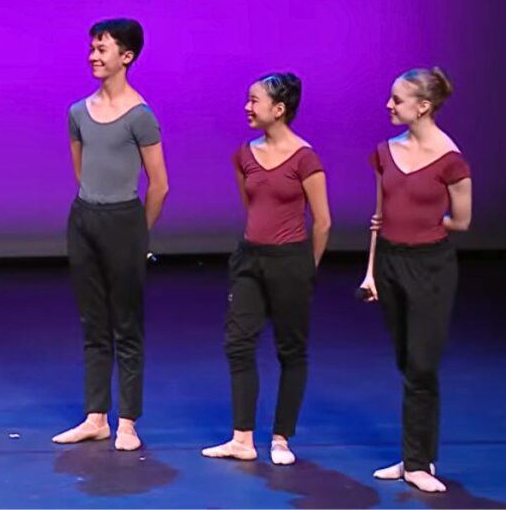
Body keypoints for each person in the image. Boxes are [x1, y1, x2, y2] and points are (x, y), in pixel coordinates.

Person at [52, 18, 169, 451]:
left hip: (124, 222)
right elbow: (81, 169)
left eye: (103, 49)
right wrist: (93, 208)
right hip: (85, 219)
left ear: (127, 56)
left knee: (127, 325)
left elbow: (159, 183)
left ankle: (128, 422)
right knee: (93, 322)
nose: (94, 56)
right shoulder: (78, 112)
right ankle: (96, 416)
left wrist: (139, 232)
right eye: (92, 48)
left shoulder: (141, 116)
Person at [201, 73, 331, 464]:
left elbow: (322, 221)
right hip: (250, 258)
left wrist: (307, 267)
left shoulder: (306, 158)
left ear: (279, 109)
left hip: (290, 261)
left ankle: (280, 438)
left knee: (290, 349)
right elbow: (253, 205)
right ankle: (242, 438)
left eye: (254, 100)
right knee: (238, 342)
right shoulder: (244, 154)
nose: (247, 106)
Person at [358, 67, 472, 493]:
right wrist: (370, 272)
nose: (389, 105)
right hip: (389, 262)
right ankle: (411, 456)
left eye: (398, 99)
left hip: (431, 266)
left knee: (422, 364)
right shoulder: (384, 152)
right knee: (408, 362)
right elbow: (378, 217)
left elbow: (461, 220)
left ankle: (420, 462)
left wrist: (426, 221)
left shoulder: (451, 160)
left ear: (423, 106)